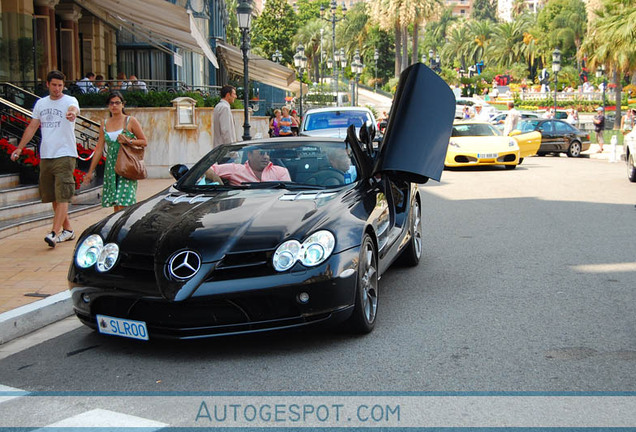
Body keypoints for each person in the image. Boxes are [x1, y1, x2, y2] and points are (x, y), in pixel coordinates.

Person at [11, 70, 80, 248]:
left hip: (65, 154)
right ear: (47, 84)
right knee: (53, 196)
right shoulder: (41, 103)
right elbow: (33, 126)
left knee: (63, 194)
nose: (57, 89)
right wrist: (19, 148)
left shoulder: (70, 101)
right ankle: (68, 230)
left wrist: (72, 114)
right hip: (46, 155)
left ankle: (54, 233)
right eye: (54, 85)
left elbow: (74, 109)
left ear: (63, 86)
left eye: (60, 85)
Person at [83, 92, 148, 212]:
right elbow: (99, 149)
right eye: (111, 103)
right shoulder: (105, 123)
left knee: (125, 200)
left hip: (126, 164)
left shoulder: (130, 121)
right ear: (108, 106)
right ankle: (117, 227)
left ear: (123, 105)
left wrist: (129, 141)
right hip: (111, 166)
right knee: (115, 202)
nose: (114, 105)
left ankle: (124, 226)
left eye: (117, 102)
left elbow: (144, 141)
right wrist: (90, 171)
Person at [205, 147, 291, 186]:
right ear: (249, 155)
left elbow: (288, 194)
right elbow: (205, 169)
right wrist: (218, 181)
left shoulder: (281, 171)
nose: (266, 157)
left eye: (267, 154)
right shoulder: (235, 170)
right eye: (261, 153)